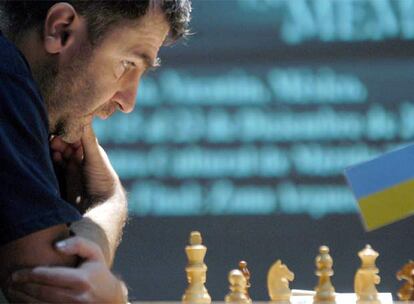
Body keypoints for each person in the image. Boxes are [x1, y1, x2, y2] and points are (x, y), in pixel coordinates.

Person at [0, 0, 191, 302]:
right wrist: (110, 203)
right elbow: (55, 286)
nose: (128, 102)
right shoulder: (7, 77)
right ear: (61, 29)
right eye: (127, 64)